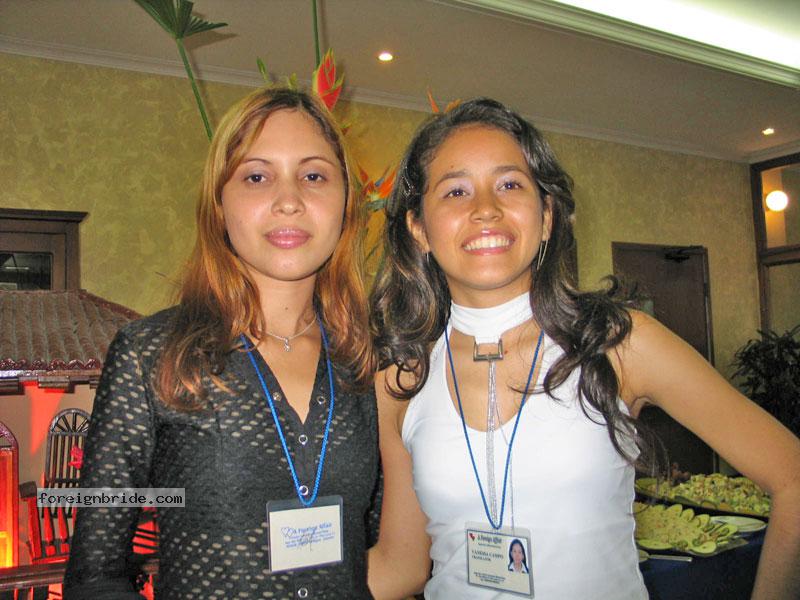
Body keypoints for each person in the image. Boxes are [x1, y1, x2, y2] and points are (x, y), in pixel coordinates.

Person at [367, 98, 800, 599]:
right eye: (456, 191)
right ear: (419, 228)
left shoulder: (619, 343)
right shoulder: (402, 380)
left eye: (510, 185)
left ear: (547, 216)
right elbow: (401, 566)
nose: (485, 208)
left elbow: (791, 477)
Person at [63, 87, 380, 599]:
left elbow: (383, 548)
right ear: (218, 203)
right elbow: (94, 578)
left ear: (346, 202)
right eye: (256, 177)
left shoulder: (369, 361)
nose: (289, 200)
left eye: (314, 176)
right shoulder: (150, 353)